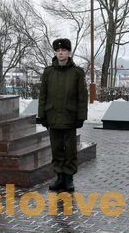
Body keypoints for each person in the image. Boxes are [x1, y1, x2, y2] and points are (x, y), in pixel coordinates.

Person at [38, 38, 87, 192]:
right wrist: (42, 115)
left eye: (64, 50)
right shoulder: (48, 72)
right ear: (55, 52)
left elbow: (82, 96)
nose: (60, 53)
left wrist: (81, 116)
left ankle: (69, 178)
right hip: (53, 116)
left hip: (70, 117)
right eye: (58, 50)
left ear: (69, 52)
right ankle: (59, 177)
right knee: (56, 149)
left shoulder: (77, 73)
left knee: (70, 150)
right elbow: (43, 95)